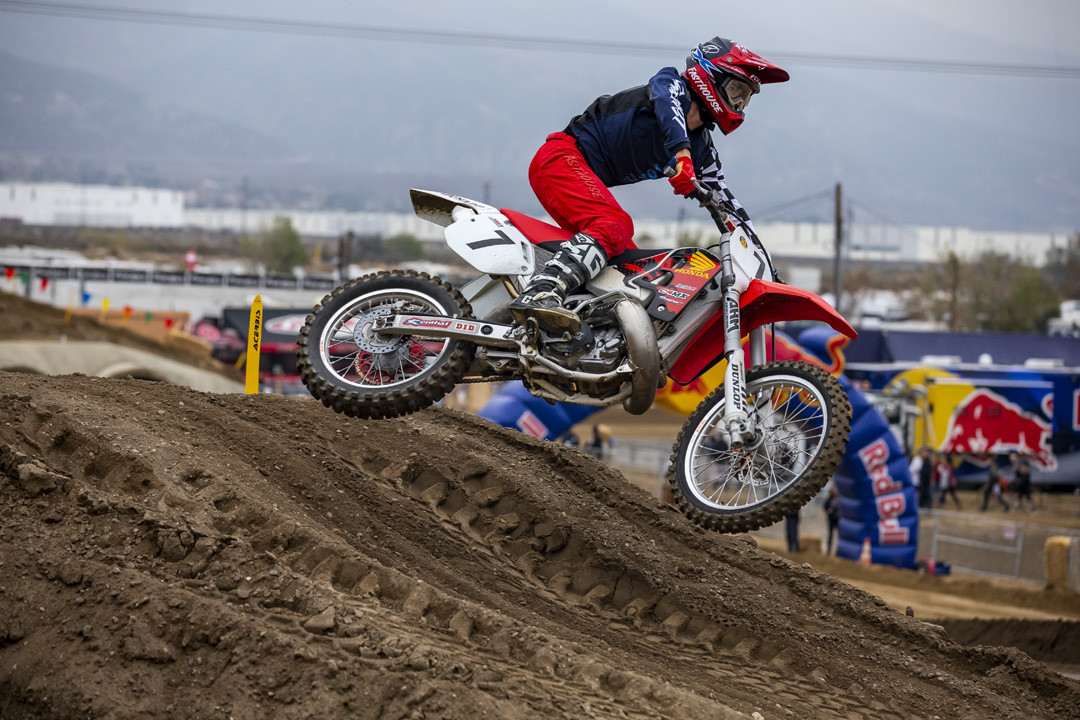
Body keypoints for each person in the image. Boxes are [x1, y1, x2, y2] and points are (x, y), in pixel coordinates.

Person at [509, 37, 789, 333]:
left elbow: (728, 207)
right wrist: (682, 155)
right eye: (736, 90)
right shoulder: (671, 85)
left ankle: (577, 336)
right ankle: (541, 292)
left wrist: (767, 271)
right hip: (561, 157)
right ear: (710, 75)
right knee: (614, 225)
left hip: (580, 177)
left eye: (745, 98)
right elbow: (668, 105)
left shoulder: (703, 151)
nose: (739, 103)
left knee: (630, 269)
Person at [823, 483, 841, 557]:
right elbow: (825, 506)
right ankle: (829, 550)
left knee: (839, 535)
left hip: (838, 520)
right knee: (830, 535)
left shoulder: (839, 499)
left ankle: (839, 551)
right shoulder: (829, 499)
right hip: (831, 519)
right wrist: (828, 510)